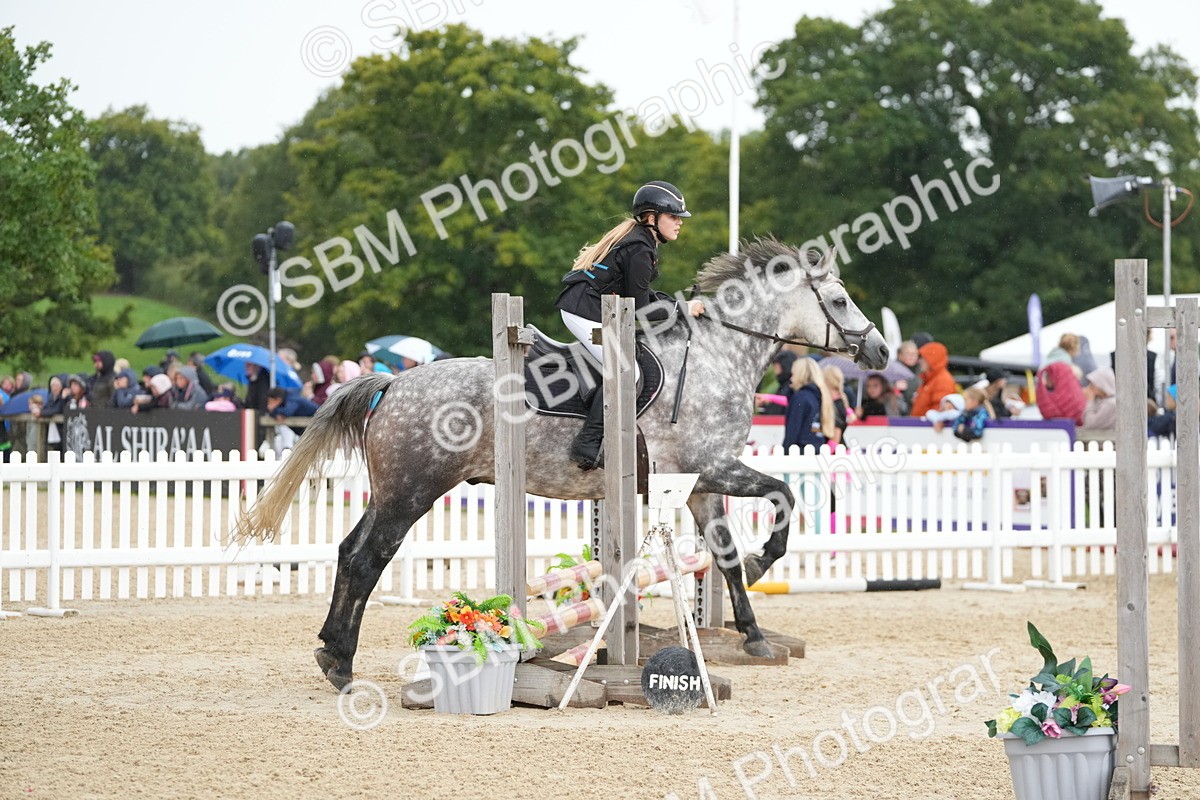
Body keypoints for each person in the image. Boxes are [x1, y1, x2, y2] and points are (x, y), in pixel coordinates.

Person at [554, 181, 705, 469]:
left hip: (590, 308)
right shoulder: (640, 248)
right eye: (673, 217)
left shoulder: (642, 241)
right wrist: (682, 308)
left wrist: (678, 306)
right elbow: (643, 308)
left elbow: (642, 296)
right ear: (652, 218)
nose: (679, 224)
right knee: (627, 372)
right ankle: (587, 444)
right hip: (582, 311)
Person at [783, 357, 836, 452]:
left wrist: (785, 451)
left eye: (793, 374)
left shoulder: (800, 397)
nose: (791, 378)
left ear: (800, 375)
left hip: (799, 452)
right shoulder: (820, 396)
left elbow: (792, 432)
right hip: (818, 449)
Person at [266, 386, 318, 458]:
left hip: (317, 426)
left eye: (270, 401)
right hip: (307, 430)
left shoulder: (292, 399)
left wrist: (274, 411)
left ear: (278, 399)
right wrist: (276, 413)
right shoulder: (286, 399)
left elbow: (287, 412)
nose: (269, 404)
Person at [909, 341, 957, 418]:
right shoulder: (929, 379)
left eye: (923, 358)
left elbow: (940, 410)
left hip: (927, 428)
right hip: (921, 427)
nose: (919, 361)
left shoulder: (943, 380)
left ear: (932, 359)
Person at [822, 362, 853, 446]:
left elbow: (835, 439)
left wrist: (823, 454)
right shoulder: (841, 401)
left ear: (826, 382)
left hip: (836, 453)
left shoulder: (836, 405)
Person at [759, 351, 799, 415]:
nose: (775, 369)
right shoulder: (783, 385)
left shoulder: (791, 386)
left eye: (776, 366)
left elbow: (786, 403)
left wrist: (769, 398)